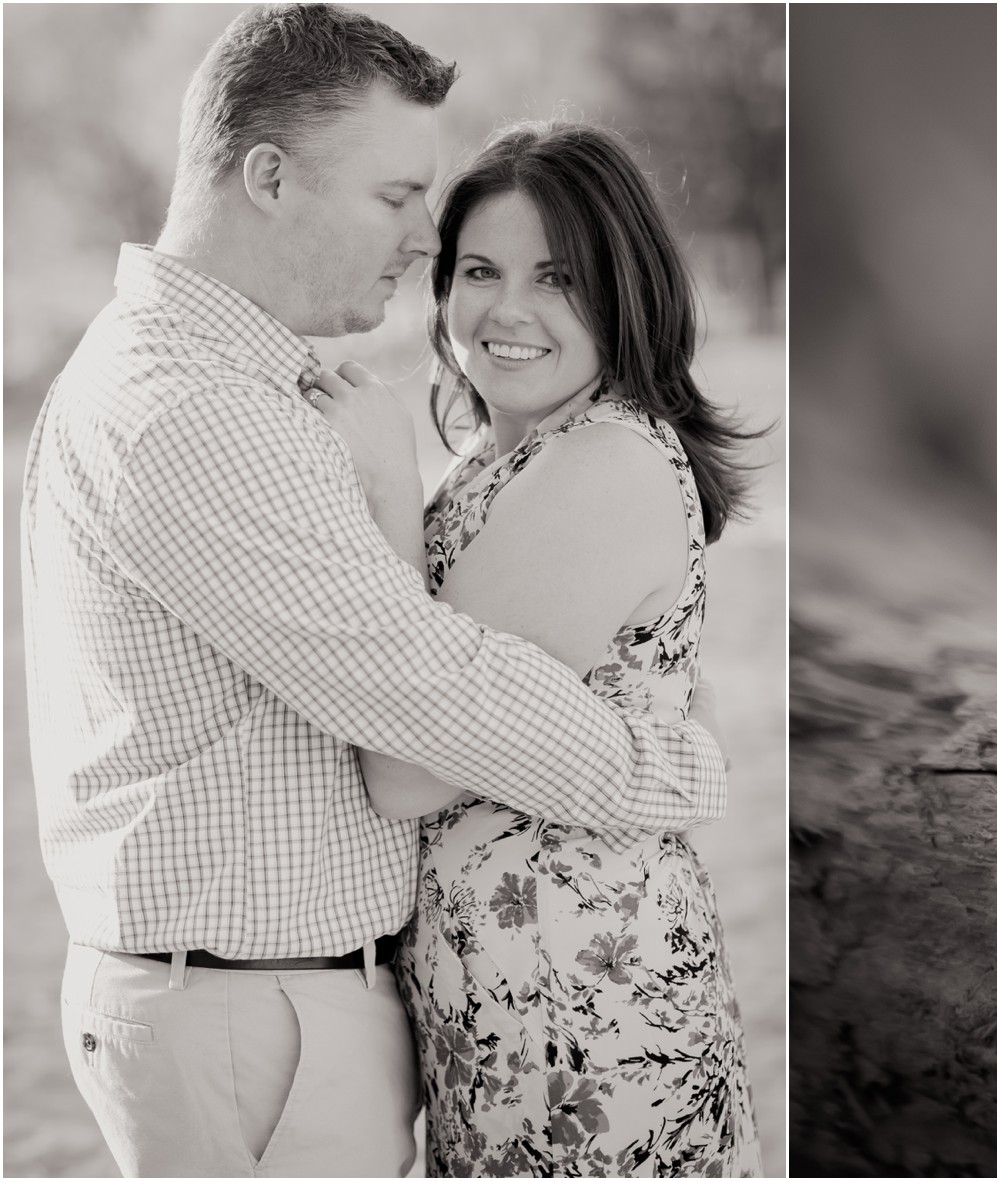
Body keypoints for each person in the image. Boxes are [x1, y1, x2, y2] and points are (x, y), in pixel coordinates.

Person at [19, 6, 729, 1177]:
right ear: (268, 176)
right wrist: (661, 762)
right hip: (251, 1013)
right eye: (400, 199)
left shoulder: (219, 379)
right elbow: (421, 685)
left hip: (337, 1004)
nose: (416, 242)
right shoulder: (198, 410)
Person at [312, 120, 763, 1177]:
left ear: (623, 290)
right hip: (502, 994)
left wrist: (385, 486)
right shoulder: (498, 453)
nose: (506, 310)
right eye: (478, 270)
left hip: (584, 1011)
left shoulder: (602, 461)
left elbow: (408, 765)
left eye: (556, 277)